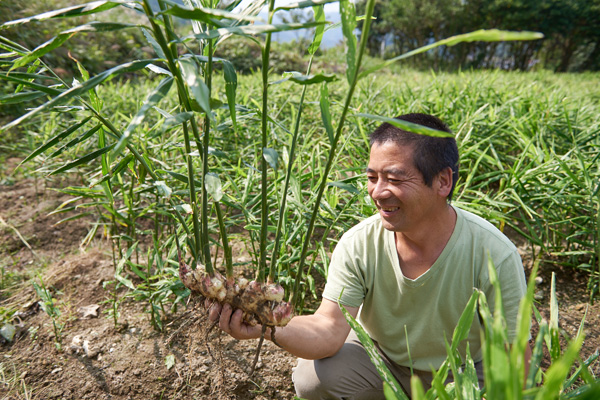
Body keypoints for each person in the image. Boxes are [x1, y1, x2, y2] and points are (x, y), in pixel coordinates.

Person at [208, 113, 531, 399]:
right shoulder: (359, 243)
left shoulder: (492, 252)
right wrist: (268, 326)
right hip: (384, 364)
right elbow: (328, 329)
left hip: (462, 373)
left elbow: (515, 351)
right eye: (372, 177)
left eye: (394, 178)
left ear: (443, 181)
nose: (378, 191)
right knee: (314, 379)